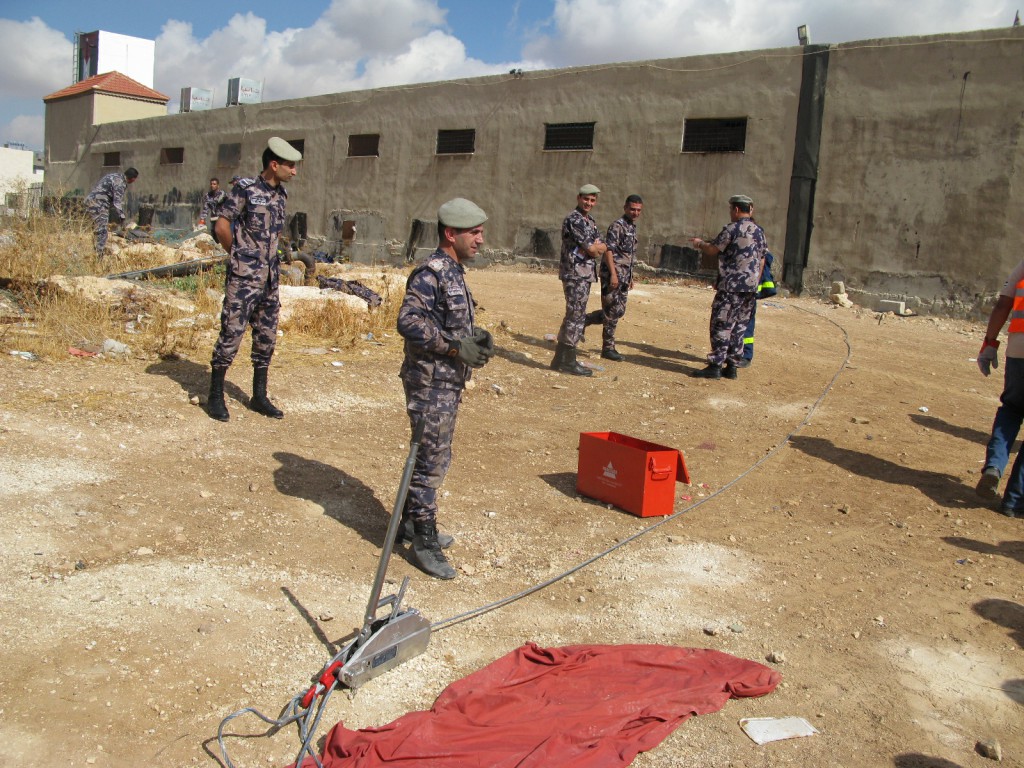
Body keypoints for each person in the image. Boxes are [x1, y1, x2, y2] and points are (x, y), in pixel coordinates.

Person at [397, 198, 494, 579]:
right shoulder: (431, 273)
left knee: (435, 455)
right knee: (430, 461)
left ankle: (410, 522)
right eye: (475, 233)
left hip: (446, 382)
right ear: (451, 234)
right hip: (429, 383)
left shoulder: (454, 272)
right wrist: (455, 347)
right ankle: (424, 542)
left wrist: (475, 337)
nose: (481, 240)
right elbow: (409, 321)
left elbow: (445, 320)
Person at [206, 137, 302, 422]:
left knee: (266, 338)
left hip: (270, 280)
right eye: (290, 166)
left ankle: (259, 396)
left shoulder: (281, 195)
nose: (294, 171)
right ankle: (215, 396)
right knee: (231, 334)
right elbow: (222, 226)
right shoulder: (245, 189)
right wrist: (239, 257)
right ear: (274, 165)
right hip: (244, 279)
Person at [690, 194, 767, 380]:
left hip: (731, 286)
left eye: (731, 209)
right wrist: (754, 282)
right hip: (750, 288)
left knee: (722, 323)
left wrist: (700, 244)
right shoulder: (759, 232)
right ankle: (732, 366)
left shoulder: (732, 229)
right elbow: (762, 259)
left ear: (736, 209)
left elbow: (713, 249)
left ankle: (716, 365)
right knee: (740, 326)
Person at [975, 260, 1024, 518]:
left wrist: (990, 343)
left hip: (1018, 351)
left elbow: (1003, 304)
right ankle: (1014, 501)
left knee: (1012, 409)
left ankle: (994, 466)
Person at [551, 184, 607, 376]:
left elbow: (602, 246)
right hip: (574, 273)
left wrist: (596, 248)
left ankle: (559, 359)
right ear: (578, 198)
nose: (588, 203)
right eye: (586, 199)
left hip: (584, 273)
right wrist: (594, 248)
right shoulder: (574, 220)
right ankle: (569, 361)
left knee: (574, 314)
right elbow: (592, 249)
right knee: (575, 316)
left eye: (592, 200)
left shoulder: (590, 221)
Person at [583, 194, 643, 361]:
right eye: (632, 209)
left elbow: (628, 254)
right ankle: (608, 348)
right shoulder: (617, 226)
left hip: (624, 276)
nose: (635, 213)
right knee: (611, 311)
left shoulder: (631, 227)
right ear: (625, 208)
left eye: (638, 210)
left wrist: (630, 276)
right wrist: (614, 275)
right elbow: (608, 250)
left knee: (619, 311)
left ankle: (585, 320)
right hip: (612, 275)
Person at [737, 249, 778, 367]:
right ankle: (733, 354)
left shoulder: (755, 247)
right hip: (739, 291)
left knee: (746, 324)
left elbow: (763, 261)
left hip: (748, 293)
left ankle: (746, 355)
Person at [84, 167, 138, 256]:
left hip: (90, 202)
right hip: (99, 205)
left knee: (94, 229)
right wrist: (122, 218)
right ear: (133, 179)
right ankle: (99, 256)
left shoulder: (113, 175)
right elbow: (117, 202)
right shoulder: (120, 183)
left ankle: (92, 253)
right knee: (102, 231)